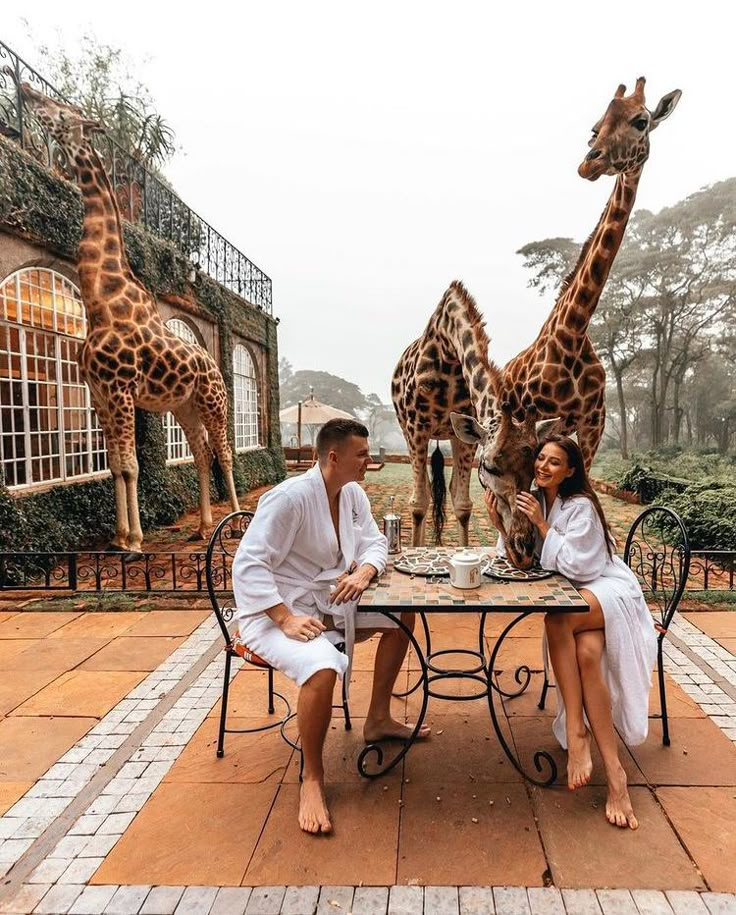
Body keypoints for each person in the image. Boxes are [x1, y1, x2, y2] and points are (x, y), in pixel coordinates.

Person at [232, 418, 428, 835]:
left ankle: (378, 717)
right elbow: (247, 564)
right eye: (362, 454)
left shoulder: (351, 493)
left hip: (331, 604)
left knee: (401, 617)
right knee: (322, 669)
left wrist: (364, 573)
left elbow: (375, 541)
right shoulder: (289, 498)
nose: (368, 461)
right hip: (276, 615)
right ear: (334, 456)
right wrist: (284, 618)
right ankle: (312, 779)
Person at [484, 433, 656, 830]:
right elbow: (522, 562)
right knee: (585, 656)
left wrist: (543, 524)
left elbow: (580, 568)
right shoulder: (536, 498)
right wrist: (501, 520)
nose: (543, 466)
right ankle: (616, 774)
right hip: (579, 598)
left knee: (557, 618)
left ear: (572, 470)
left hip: (608, 590)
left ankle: (578, 734)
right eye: (541, 459)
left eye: (554, 462)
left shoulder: (581, 506)